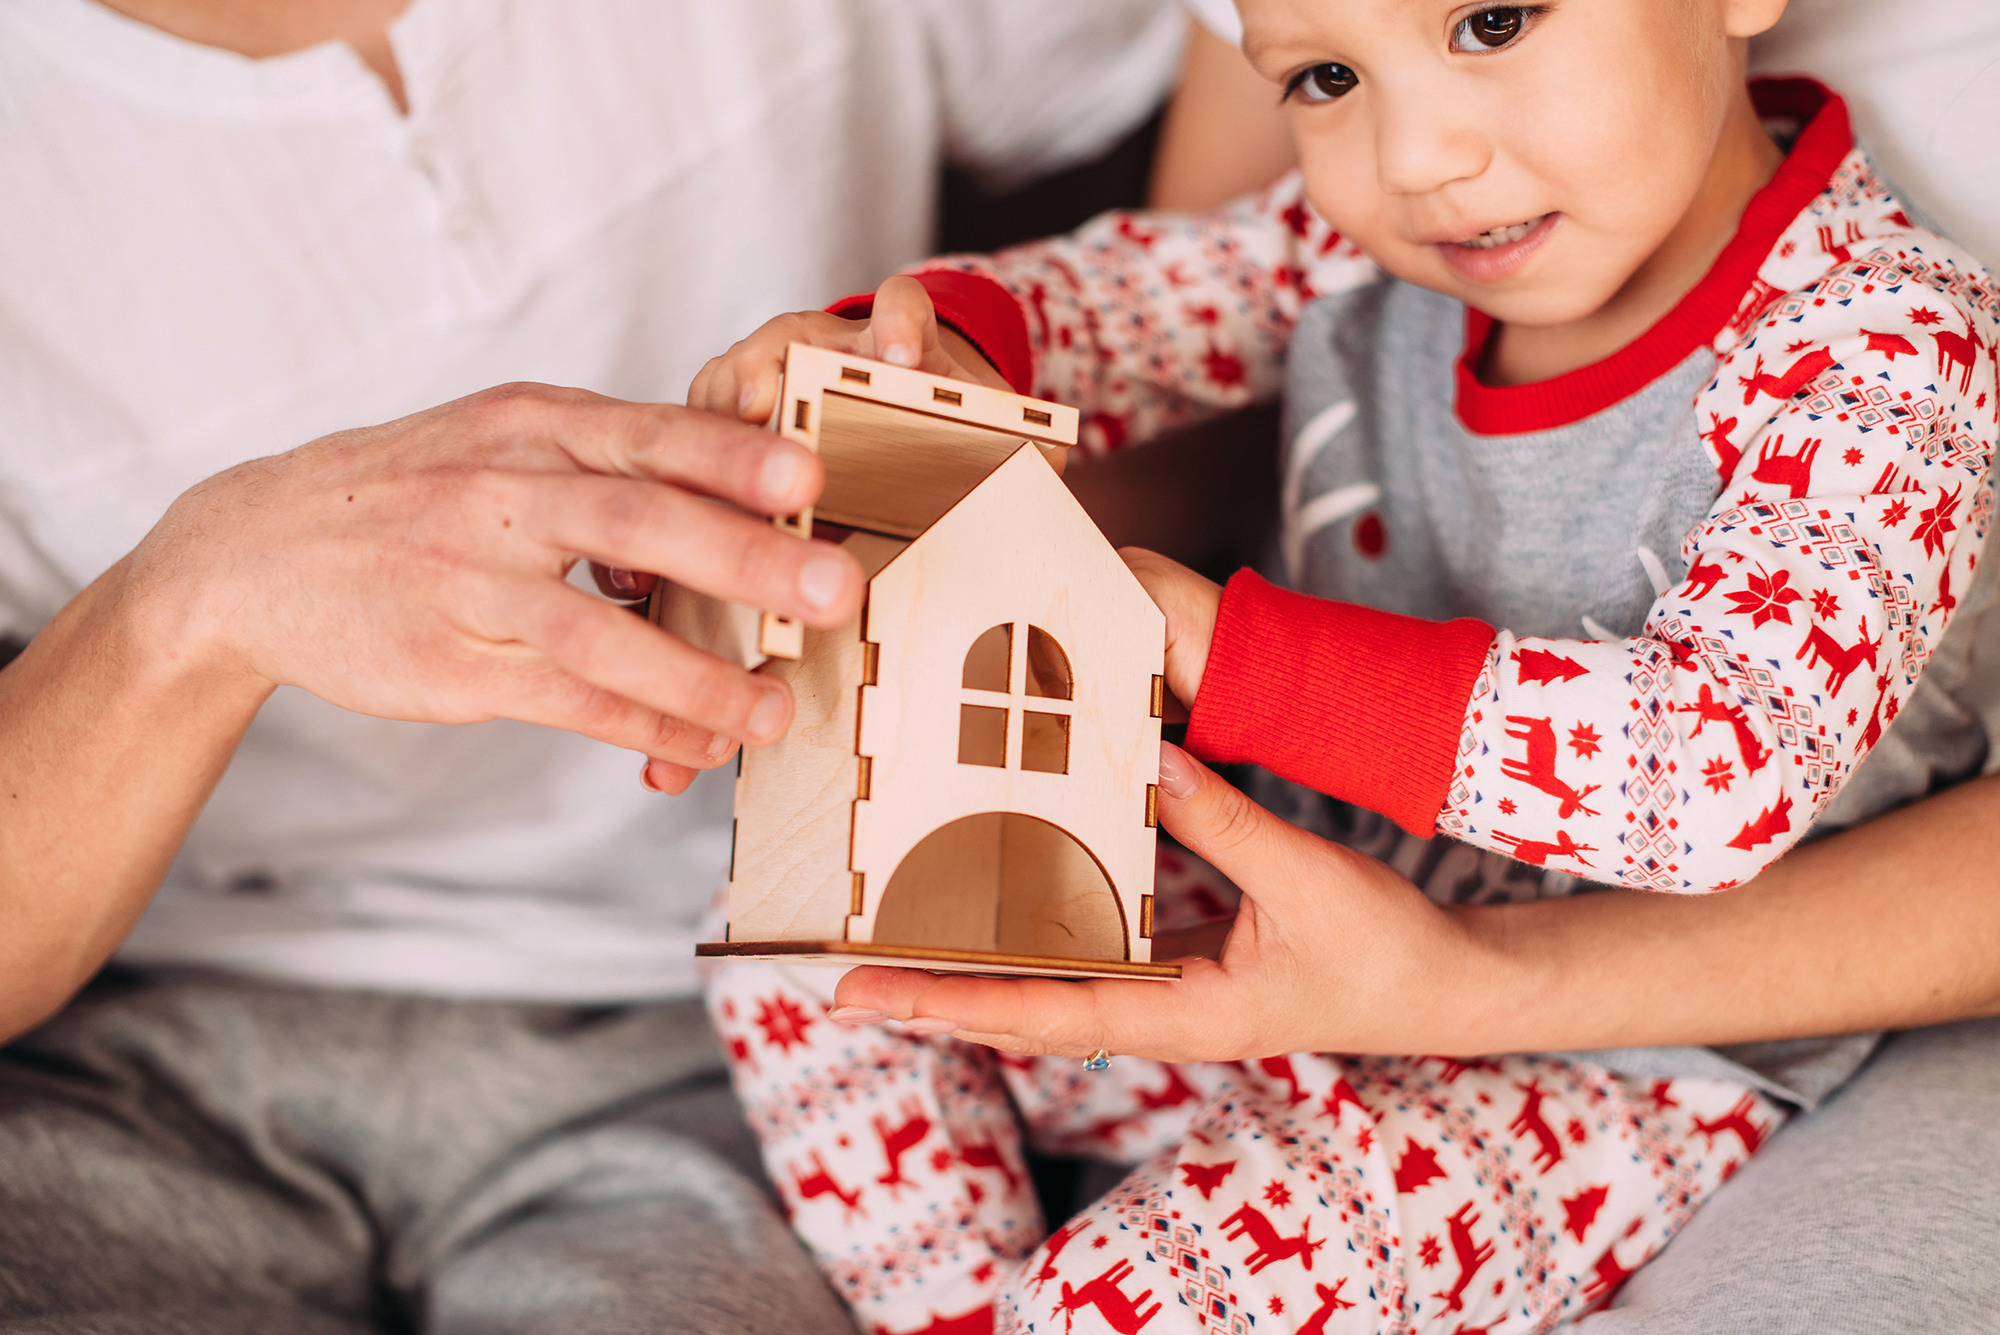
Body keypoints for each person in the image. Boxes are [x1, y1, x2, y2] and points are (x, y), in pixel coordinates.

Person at [692, 0, 2000, 1329]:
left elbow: (1719, 768)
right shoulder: (1365, 248)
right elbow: (1134, 297)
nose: (1418, 155)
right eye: (1326, 76)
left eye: (1493, 22)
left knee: (1121, 1301)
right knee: (804, 925)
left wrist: (1214, 646)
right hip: (1292, 929)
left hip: (1620, 1051)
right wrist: (917, 355)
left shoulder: (1887, 339)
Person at [0, 0, 1190, 1329]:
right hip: (140, 1048)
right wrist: (184, 605)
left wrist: (1045, 536)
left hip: (734, 1031)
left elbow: (1278, 59)